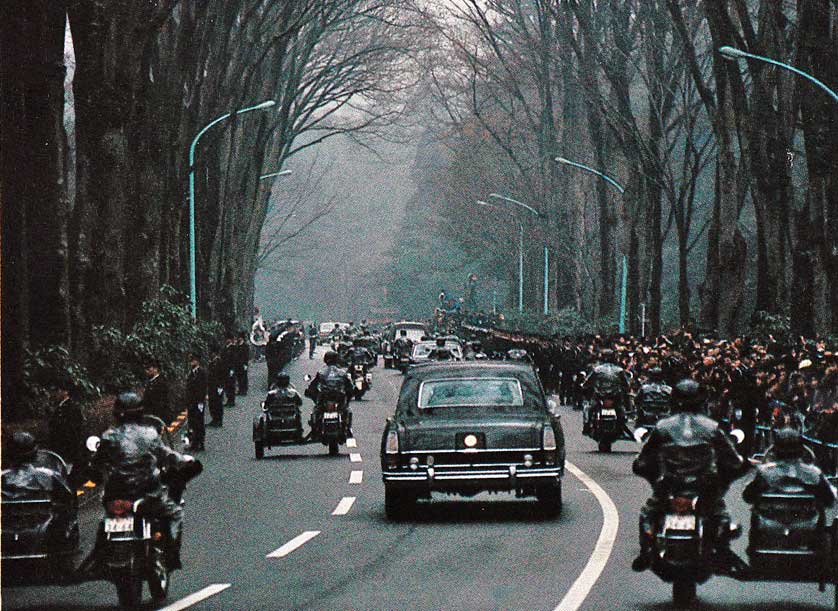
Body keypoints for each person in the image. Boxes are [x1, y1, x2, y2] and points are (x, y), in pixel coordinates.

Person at [632, 379, 746, 573]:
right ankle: (723, 551)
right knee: (719, 514)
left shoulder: (663, 426)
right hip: (703, 485)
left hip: (671, 484)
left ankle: (646, 550)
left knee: (648, 513)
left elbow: (643, 460)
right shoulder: (711, 426)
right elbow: (733, 461)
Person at [85, 392, 198, 570]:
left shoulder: (108, 436)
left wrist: (96, 474)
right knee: (174, 513)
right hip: (147, 492)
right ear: (140, 412)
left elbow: (96, 464)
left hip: (116, 494)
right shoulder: (149, 434)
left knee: (104, 520)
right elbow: (167, 455)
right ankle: (171, 555)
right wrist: (184, 461)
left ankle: (98, 557)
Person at [305, 351, 354, 438]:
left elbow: (313, 385)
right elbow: (349, 386)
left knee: (316, 410)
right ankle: (348, 428)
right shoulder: (342, 372)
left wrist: (310, 392)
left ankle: (315, 428)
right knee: (346, 410)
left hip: (324, 396)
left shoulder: (321, 372)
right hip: (339, 396)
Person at [47, 381, 85, 467]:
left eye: (58, 390)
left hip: (66, 453)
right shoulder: (60, 408)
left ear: (65, 392)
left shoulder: (72, 408)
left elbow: (73, 433)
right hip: (58, 452)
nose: (55, 394)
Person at [185, 353, 207, 451]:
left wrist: (201, 401)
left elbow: (203, 387)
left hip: (198, 401)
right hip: (191, 401)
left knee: (199, 422)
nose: (191, 363)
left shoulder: (202, 372)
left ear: (198, 361)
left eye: (193, 360)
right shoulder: (190, 373)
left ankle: (200, 442)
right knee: (192, 422)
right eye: (190, 361)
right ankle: (194, 442)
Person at [142, 359, 170, 423]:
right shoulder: (150, 382)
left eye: (149, 369)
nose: (147, 371)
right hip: (150, 415)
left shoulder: (161, 382)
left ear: (156, 369)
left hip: (158, 415)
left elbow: (162, 401)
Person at [207, 344, 226, 427]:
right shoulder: (211, 363)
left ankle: (219, 420)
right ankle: (214, 419)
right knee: (212, 404)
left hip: (218, 386)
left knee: (218, 404)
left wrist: (221, 386)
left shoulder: (220, 362)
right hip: (211, 387)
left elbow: (223, 375)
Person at [222, 335, 237, 406]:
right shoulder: (224, 348)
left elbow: (234, 359)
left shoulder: (233, 348)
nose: (227, 341)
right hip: (225, 369)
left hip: (231, 369)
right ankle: (228, 400)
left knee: (231, 385)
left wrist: (232, 369)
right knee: (226, 385)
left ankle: (232, 400)